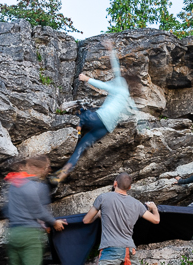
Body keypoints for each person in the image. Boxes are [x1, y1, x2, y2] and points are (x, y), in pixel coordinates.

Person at [50, 39, 134, 184]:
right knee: (81, 147)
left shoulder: (119, 88)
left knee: (81, 113)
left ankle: (77, 130)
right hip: (106, 128)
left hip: (100, 118)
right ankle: (64, 172)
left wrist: (86, 78)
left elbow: (108, 78)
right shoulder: (127, 97)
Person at [0, 155, 67, 265]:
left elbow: (6, 209)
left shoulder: (14, 184)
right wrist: (54, 222)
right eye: (47, 167)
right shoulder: (36, 186)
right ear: (41, 169)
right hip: (30, 234)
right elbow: (38, 211)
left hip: (13, 232)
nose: (48, 170)